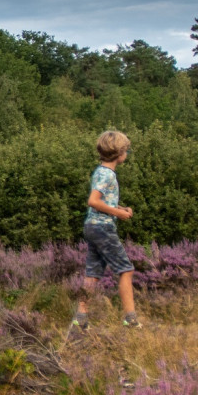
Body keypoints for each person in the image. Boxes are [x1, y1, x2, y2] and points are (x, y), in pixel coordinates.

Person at [73, 129, 141, 331]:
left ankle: (81, 318)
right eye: (126, 151)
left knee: (92, 273)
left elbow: (103, 201)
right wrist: (117, 214)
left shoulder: (101, 171)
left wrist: (119, 209)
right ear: (119, 153)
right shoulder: (107, 175)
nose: (126, 154)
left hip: (93, 226)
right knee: (126, 270)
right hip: (102, 227)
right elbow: (93, 201)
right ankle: (131, 319)